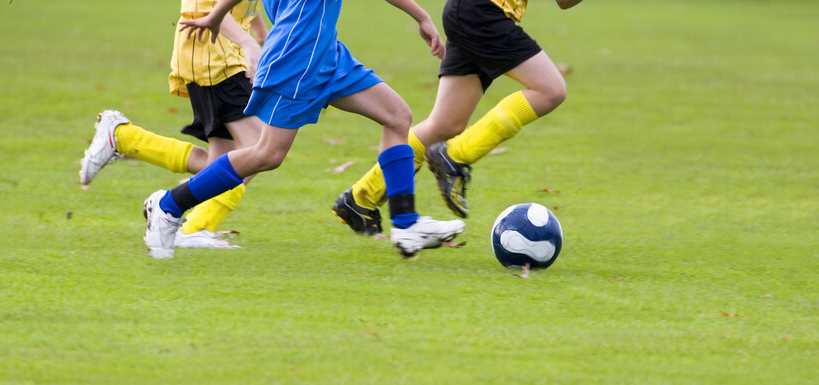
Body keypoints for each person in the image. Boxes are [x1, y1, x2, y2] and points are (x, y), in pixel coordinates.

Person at [143, 0, 465, 259]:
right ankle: (169, 206)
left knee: (397, 116)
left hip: (326, 54)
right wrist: (217, 16)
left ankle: (406, 224)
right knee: (267, 154)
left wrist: (421, 17)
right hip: (294, 58)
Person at [332, 0, 583, 236]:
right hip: (483, 13)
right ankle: (456, 154)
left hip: (469, 12)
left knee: (445, 124)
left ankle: (360, 197)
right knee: (550, 90)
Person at [80, 1, 268, 249]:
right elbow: (204, 7)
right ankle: (190, 224)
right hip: (215, 57)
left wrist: (261, 34)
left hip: (224, 55)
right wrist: (248, 42)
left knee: (221, 164)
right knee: (259, 150)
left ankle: (124, 137)